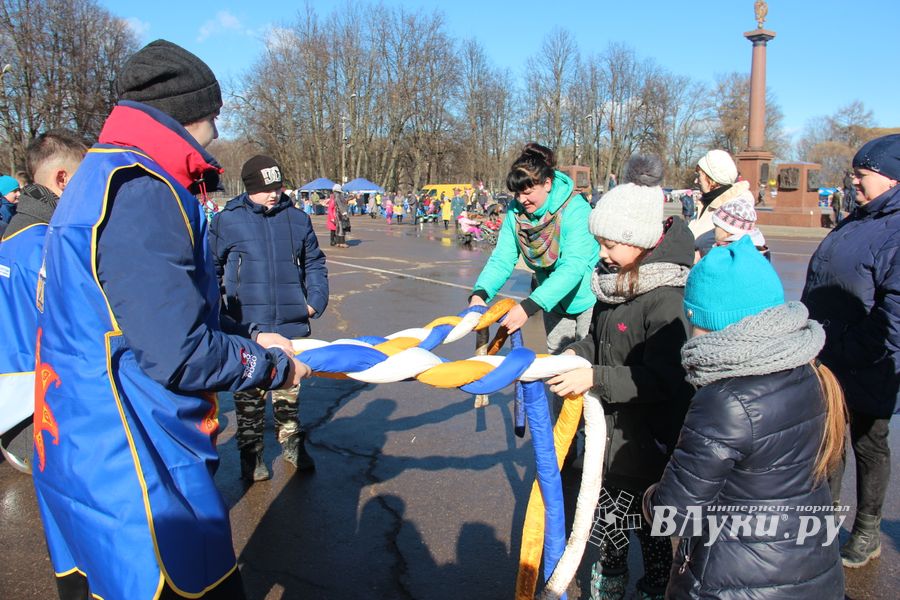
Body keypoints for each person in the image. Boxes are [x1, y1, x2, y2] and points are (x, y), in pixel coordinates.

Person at [31, 39, 309, 599]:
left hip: (80, 451)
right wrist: (272, 366)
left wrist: (251, 333)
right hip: (136, 466)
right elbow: (178, 351)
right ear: (198, 114)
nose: (215, 136)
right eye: (216, 118)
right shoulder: (141, 189)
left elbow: (150, 310)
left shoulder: (96, 176)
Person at [645, 236, 845, 599]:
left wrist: (649, 496)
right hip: (813, 569)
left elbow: (673, 514)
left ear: (707, 321)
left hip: (736, 580)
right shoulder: (811, 371)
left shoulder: (723, 400)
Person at [548, 156, 694, 600]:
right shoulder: (614, 284)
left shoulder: (665, 301)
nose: (603, 254)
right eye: (600, 243)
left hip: (646, 446)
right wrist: (576, 354)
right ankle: (609, 583)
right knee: (610, 531)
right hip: (608, 443)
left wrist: (594, 378)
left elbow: (664, 381)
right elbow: (596, 338)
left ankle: (655, 587)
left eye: (610, 244)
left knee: (651, 532)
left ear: (641, 241)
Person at [802, 134, 900, 569]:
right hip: (830, 355)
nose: (854, 183)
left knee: (867, 443)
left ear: (892, 179)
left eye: (863, 176)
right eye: (855, 175)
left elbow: (894, 317)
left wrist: (847, 349)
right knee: (831, 441)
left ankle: (866, 531)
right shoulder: (856, 219)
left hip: (871, 360)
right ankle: (823, 525)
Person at [210, 155, 327, 481]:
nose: (273, 194)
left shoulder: (297, 219)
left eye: (277, 187)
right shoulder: (226, 221)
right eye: (265, 190)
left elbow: (315, 262)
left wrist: (314, 301)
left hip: (288, 323)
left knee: (290, 388)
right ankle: (252, 454)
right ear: (249, 189)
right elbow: (210, 271)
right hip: (248, 326)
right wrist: (222, 315)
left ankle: (292, 443)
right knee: (250, 393)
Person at [0, 129, 88, 471]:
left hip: (17, 409)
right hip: (45, 411)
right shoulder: (51, 248)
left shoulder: (11, 241)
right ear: (63, 179)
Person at [469, 142, 598, 359]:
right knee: (557, 369)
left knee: (587, 370)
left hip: (589, 299)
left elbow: (574, 267)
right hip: (553, 300)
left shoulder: (576, 209)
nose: (522, 200)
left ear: (547, 183)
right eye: (517, 194)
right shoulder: (516, 213)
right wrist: (480, 293)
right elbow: (503, 257)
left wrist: (529, 306)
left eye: (528, 192)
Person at [689, 149, 755, 257]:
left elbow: (730, 253)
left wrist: (697, 256)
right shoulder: (707, 201)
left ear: (712, 179)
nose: (696, 181)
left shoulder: (732, 211)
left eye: (699, 175)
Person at [705, 196, 770, 260]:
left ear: (728, 230)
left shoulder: (726, 255)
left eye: (716, 226)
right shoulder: (760, 249)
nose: (714, 230)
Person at [327, 183, 348, 247]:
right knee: (335, 230)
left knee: (336, 230)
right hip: (334, 216)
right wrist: (332, 217)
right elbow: (330, 209)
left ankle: (336, 241)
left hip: (335, 215)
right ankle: (333, 241)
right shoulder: (335, 198)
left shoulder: (335, 197)